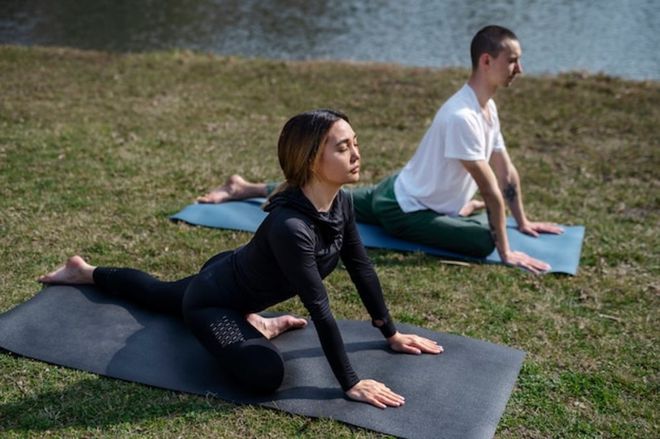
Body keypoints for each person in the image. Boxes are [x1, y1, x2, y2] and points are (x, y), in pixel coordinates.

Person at [39, 109, 443, 409]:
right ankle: (88, 273)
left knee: (159, 294)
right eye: (343, 147)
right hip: (212, 302)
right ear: (309, 161)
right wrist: (350, 382)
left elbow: (361, 268)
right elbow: (319, 306)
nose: (356, 153)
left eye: (355, 142)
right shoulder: (291, 227)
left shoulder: (342, 203)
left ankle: (86, 271)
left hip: (231, 275)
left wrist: (390, 333)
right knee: (264, 374)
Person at [198, 26, 563, 274]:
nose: (520, 69)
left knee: (330, 194)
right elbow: (490, 189)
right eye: (513, 60)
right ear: (487, 60)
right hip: (405, 208)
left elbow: (506, 174)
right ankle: (243, 189)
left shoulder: (486, 107)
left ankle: (243, 188)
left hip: (401, 190)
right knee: (484, 236)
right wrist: (505, 249)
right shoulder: (461, 116)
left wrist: (523, 222)